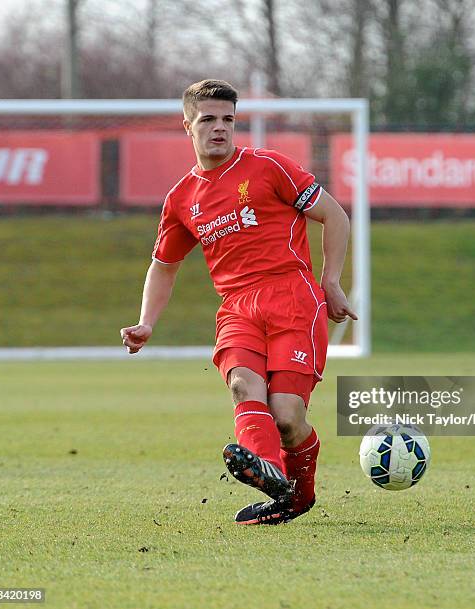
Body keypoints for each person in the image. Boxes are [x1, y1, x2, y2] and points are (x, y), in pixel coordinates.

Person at [120, 79, 356, 525]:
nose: (219, 128)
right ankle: (265, 473)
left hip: (292, 299)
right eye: (208, 119)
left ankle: (296, 496)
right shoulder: (181, 199)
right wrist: (146, 322)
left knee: (287, 417)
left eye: (228, 119)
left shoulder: (269, 167)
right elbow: (164, 266)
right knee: (243, 386)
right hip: (237, 307)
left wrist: (331, 282)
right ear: (187, 125)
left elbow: (334, 214)